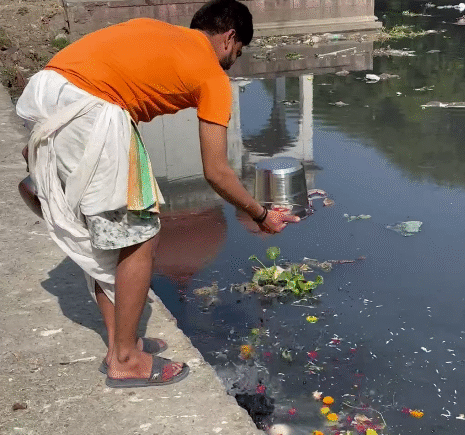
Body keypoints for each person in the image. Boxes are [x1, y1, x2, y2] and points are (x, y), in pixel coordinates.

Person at [16, 0, 300, 388]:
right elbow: (216, 171)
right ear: (229, 37)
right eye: (238, 51)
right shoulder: (211, 73)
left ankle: (123, 340)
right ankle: (126, 360)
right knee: (137, 236)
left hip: (47, 91)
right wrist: (260, 213)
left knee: (106, 234)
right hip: (94, 109)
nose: (234, 59)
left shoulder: (153, 30)